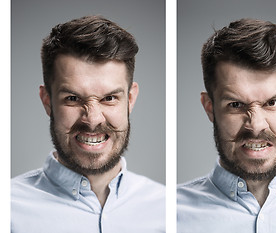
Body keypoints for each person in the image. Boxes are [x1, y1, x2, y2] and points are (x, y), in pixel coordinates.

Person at [11, 15, 164, 232]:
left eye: (109, 98)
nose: (93, 120)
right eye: (73, 99)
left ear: (130, 100)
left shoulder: (167, 211)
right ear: (47, 101)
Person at [177, 19, 276, 232]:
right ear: (210, 107)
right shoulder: (173, 216)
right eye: (236, 104)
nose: (256, 126)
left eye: (271, 103)